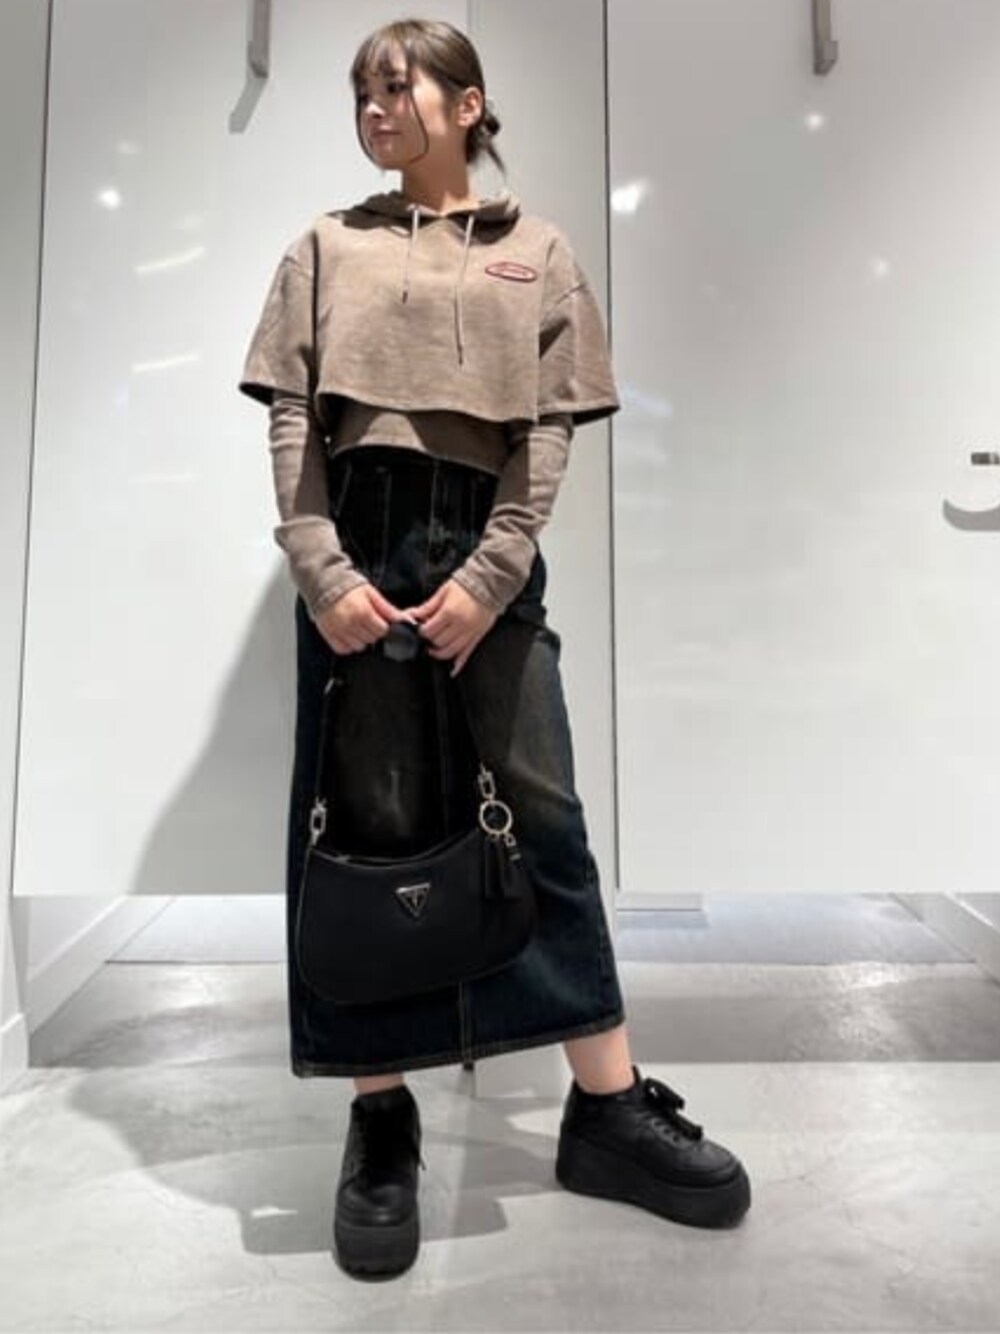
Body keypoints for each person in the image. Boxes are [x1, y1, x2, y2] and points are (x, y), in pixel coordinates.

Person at [238, 17, 751, 1279]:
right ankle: (381, 1120)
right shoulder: (325, 244)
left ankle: (604, 1107)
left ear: (468, 103)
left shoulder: (538, 250)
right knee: (367, 825)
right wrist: (321, 568)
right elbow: (294, 418)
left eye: (396, 86)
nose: (374, 109)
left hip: (484, 545)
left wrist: (493, 570)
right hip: (356, 547)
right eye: (360, 93)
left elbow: (548, 432)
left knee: (544, 816)